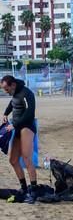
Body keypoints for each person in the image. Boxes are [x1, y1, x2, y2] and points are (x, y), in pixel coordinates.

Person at [1, 75, 38, 203]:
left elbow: (30, 112)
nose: (5, 91)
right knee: (13, 160)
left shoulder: (27, 93)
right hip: (16, 127)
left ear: (13, 85)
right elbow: (13, 103)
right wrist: (6, 113)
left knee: (27, 158)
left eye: (6, 89)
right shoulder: (15, 93)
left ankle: (33, 191)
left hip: (27, 127)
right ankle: (24, 188)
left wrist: (14, 125)